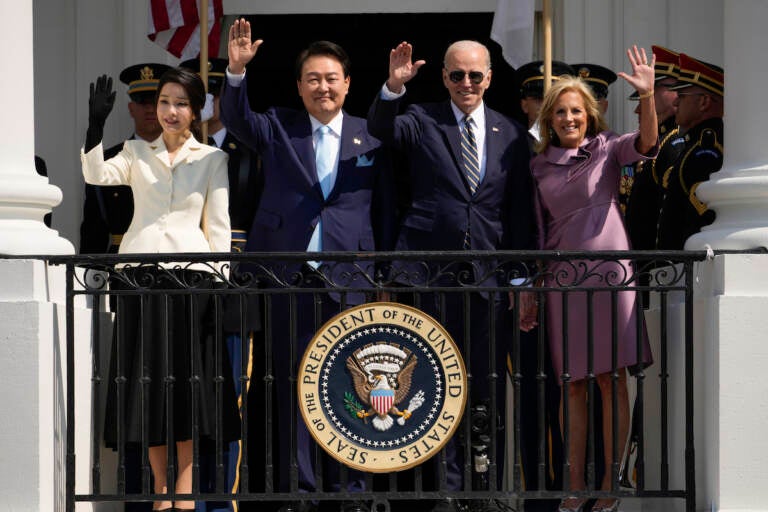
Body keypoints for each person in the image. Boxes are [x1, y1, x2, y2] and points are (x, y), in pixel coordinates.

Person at [220, 19, 395, 512]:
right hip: (288, 276)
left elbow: (384, 207)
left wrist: (381, 272)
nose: (323, 86)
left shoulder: (370, 135)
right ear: (299, 86)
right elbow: (237, 120)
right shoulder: (277, 125)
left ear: (347, 83)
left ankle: (353, 491)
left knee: (355, 382)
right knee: (294, 384)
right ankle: (301, 489)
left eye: (332, 77)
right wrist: (235, 73)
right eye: (313, 78)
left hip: (350, 276)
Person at [367, 40, 536, 512]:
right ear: (443, 76)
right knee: (431, 384)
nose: (466, 84)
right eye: (457, 75)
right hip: (425, 273)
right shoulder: (422, 119)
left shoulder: (512, 133)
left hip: (486, 277)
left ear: (489, 79)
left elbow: (518, 210)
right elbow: (382, 129)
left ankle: (482, 491)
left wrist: (520, 279)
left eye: (475, 76)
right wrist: (393, 87)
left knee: (483, 385)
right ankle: (442, 487)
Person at [83, 68, 240, 512]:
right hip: (140, 279)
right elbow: (96, 175)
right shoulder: (134, 152)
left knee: (189, 390)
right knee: (147, 387)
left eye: (181, 104)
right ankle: (161, 494)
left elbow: (220, 228)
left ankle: (185, 495)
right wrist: (94, 127)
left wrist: (219, 284)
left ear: (196, 111)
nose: (171, 112)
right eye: (164, 102)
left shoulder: (212, 159)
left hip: (193, 281)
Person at [530, 46, 656, 512]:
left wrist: (645, 98)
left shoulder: (607, 149)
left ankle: (611, 481)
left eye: (577, 111)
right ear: (550, 118)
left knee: (611, 379)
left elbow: (646, 145)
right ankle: (575, 482)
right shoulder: (538, 165)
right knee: (573, 381)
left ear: (590, 116)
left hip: (610, 274)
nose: (569, 118)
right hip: (563, 277)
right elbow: (540, 233)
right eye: (561, 111)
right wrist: (532, 289)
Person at [180, 56, 265, 512]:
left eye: (210, 91)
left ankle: (220, 500)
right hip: (176, 287)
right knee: (176, 394)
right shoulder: (165, 152)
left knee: (227, 398)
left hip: (232, 289)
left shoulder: (250, 151)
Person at [79, 63, 170, 254]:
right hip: (122, 265)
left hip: (174, 266)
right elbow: (94, 229)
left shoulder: (184, 154)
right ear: (131, 108)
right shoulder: (108, 158)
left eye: (155, 102)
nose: (150, 110)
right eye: (142, 102)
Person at [656, 54, 724, 250]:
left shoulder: (705, 150)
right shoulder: (693, 145)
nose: (676, 103)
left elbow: (700, 218)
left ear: (704, 102)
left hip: (688, 269)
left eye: (683, 96)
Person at [623, 45, 685, 237]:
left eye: (651, 89)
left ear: (675, 91)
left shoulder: (677, 142)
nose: (639, 109)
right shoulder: (655, 141)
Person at [514, 60, 574, 143]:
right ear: (525, 105)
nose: (546, 105)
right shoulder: (512, 147)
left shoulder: (578, 147)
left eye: (553, 99)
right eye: (539, 99)